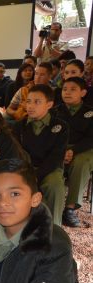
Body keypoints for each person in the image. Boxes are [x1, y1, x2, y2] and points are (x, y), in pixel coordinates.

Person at [12, 84, 68, 226]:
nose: (30, 106)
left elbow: (56, 156)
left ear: (49, 104)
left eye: (37, 102)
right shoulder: (19, 126)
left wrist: (37, 175)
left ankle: (54, 228)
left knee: (54, 184)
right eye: (28, 101)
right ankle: (24, 227)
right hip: (25, 168)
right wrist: (29, 173)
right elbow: (17, 153)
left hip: (50, 168)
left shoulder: (60, 126)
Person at [56, 76, 93, 227]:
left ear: (83, 93)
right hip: (59, 148)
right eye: (65, 89)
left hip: (85, 149)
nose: (67, 92)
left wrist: (73, 150)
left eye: (73, 89)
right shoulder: (54, 111)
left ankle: (70, 208)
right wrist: (63, 150)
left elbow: (91, 138)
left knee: (81, 162)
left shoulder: (90, 112)